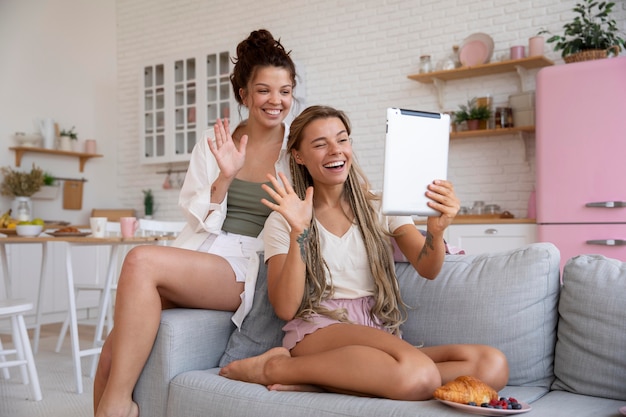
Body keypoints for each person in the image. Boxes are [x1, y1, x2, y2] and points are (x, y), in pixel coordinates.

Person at [219, 105, 509, 400]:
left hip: (375, 325)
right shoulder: (285, 218)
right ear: (299, 156)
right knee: (418, 376)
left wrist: (436, 230)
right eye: (320, 144)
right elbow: (285, 308)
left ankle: (325, 377)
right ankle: (275, 367)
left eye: (342, 140)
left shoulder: (381, 206)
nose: (336, 150)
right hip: (321, 327)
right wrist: (300, 231)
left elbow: (428, 269)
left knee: (491, 365)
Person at [93, 29, 297, 417]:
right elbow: (196, 214)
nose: (276, 101)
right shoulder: (215, 141)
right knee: (112, 350)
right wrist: (225, 176)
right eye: (264, 90)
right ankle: (108, 407)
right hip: (206, 252)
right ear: (244, 94)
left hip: (252, 263)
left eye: (284, 91)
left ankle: (120, 404)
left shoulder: (298, 146)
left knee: (140, 260)